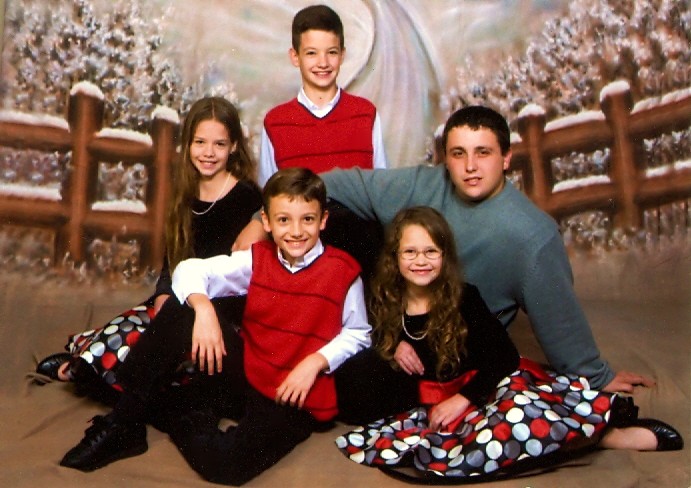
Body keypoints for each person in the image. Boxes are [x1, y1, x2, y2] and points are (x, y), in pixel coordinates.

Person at [235, 104, 652, 399]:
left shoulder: (531, 236)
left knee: (355, 390)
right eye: (458, 154)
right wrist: (258, 218)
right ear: (445, 158)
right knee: (342, 217)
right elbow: (342, 183)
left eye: (483, 153)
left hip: (452, 339)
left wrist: (595, 375)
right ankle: (308, 326)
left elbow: (560, 317)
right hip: (398, 311)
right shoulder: (423, 183)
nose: (470, 166)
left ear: (506, 158)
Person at [59, 167, 372, 486]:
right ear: (266, 222)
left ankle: (171, 411)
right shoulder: (257, 259)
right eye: (283, 220)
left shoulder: (342, 271)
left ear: (323, 220)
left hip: (293, 395)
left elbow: (359, 333)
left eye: (307, 219)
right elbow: (189, 270)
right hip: (248, 373)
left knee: (226, 467)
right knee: (186, 306)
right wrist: (204, 307)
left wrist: (316, 362)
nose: (296, 231)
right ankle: (124, 421)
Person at [335, 206, 682, 481]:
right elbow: (367, 332)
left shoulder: (464, 298)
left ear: (445, 255)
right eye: (410, 252)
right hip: (431, 408)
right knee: (453, 450)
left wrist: (462, 399)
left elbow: (504, 358)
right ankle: (556, 443)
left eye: (431, 251)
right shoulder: (385, 300)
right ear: (394, 257)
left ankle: (601, 437)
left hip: (481, 391)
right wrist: (393, 344)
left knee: (519, 417)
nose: (421, 260)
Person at [34, 96, 262, 404]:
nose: (208, 153)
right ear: (188, 144)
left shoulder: (246, 198)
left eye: (219, 144)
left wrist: (192, 309)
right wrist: (164, 294)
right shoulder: (184, 192)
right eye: (200, 142)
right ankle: (90, 362)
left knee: (166, 360)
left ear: (233, 146)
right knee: (129, 330)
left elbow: (245, 278)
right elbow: (173, 259)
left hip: (217, 310)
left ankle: (102, 373)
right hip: (180, 295)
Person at [257, 4, 387, 187]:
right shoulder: (275, 122)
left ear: (342, 55)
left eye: (331, 52)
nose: (323, 63)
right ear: (295, 57)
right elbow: (269, 194)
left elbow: (381, 190)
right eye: (311, 53)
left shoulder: (366, 114)